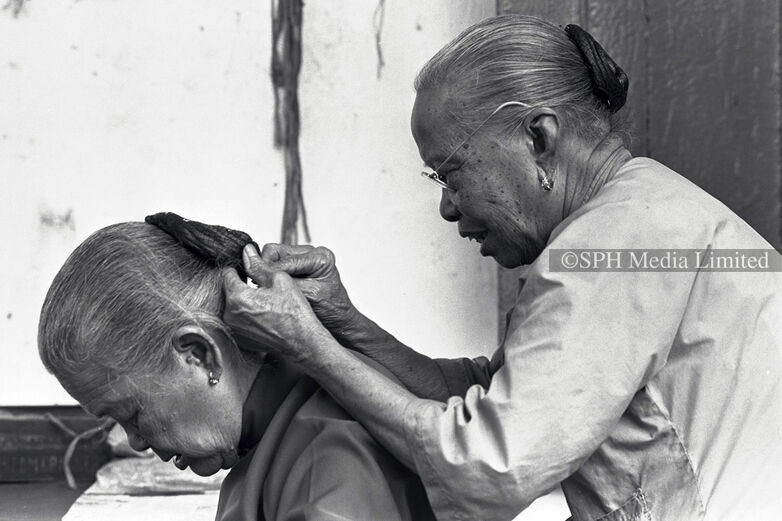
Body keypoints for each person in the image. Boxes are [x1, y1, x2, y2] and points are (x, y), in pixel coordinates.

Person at [219, 15, 782, 521]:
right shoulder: (647, 209)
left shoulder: (616, 240)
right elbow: (502, 395)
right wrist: (342, 324)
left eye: (450, 172)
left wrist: (309, 348)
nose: (446, 205)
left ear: (538, 137)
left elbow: (490, 466)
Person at [37, 215, 435, 521]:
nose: (136, 442)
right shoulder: (279, 433)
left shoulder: (328, 461)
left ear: (199, 354)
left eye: (132, 414)